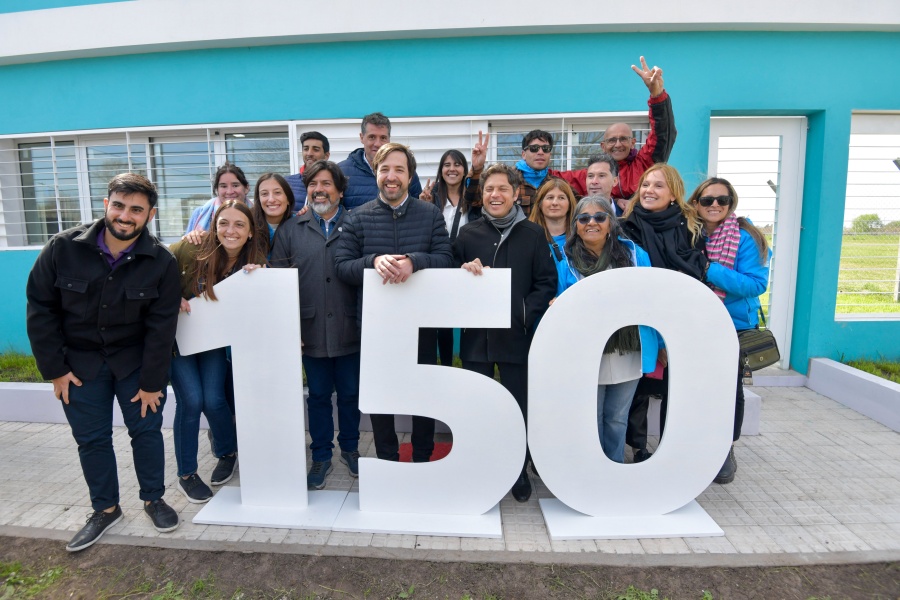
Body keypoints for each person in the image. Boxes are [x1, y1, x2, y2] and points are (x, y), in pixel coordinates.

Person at [26, 173, 182, 551]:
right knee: (91, 440)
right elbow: (40, 310)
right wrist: (55, 370)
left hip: (133, 364)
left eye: (136, 210)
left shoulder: (161, 261)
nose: (125, 216)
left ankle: (153, 498)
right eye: (119, 205)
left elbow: (162, 328)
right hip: (78, 368)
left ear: (150, 214)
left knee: (146, 433)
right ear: (106, 204)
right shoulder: (62, 249)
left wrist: (152, 382)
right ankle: (105, 509)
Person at [335, 143, 453, 463]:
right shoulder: (357, 217)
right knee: (382, 400)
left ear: (409, 176)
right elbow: (341, 266)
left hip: (422, 327)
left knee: (423, 398)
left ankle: (423, 458)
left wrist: (415, 261)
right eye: (385, 169)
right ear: (376, 174)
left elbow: (446, 259)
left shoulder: (429, 214)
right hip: (377, 328)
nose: (391, 176)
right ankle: (387, 459)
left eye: (399, 169)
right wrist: (374, 261)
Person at [453, 163, 557, 502]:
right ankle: (480, 466)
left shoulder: (533, 234)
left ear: (515, 195)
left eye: (502, 189)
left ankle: (518, 469)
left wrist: (523, 313)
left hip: (517, 337)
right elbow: (451, 281)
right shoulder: (468, 235)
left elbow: (545, 282)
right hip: (476, 340)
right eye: (488, 189)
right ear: (482, 194)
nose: (494, 195)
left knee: (518, 407)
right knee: (478, 406)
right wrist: (464, 273)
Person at [270, 161, 363, 490]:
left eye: (327, 183)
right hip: (309, 332)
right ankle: (321, 454)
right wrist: (288, 329)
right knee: (319, 396)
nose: (319, 189)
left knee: (351, 394)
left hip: (350, 328)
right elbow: (278, 284)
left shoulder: (357, 224)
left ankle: (350, 449)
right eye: (313, 184)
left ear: (340, 191)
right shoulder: (290, 231)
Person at [168, 201, 265, 502]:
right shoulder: (190, 249)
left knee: (214, 399)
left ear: (250, 232)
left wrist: (257, 278)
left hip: (211, 343)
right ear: (214, 225)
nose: (230, 230)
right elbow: (151, 273)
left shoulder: (252, 261)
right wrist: (168, 300)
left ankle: (226, 452)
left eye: (239, 225)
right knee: (192, 400)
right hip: (177, 341)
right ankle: (187, 473)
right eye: (223, 223)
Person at [559, 196, 661, 462]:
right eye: (583, 218)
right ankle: (592, 469)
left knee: (617, 418)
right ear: (576, 225)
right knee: (589, 417)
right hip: (588, 352)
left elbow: (653, 300)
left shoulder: (635, 256)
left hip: (628, 349)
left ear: (611, 223)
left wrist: (661, 344)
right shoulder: (564, 262)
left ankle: (613, 467)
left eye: (599, 217)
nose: (591, 222)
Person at [621, 163, 707, 460]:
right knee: (638, 389)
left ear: (673, 194)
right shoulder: (625, 227)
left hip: (682, 321)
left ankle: (677, 452)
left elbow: (698, 275)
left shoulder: (691, 228)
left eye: (658, 185)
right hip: (641, 322)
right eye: (645, 184)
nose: (649, 190)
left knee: (679, 391)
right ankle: (639, 448)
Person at [689, 177, 770, 484]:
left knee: (727, 391)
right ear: (696, 203)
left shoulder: (746, 237)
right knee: (694, 389)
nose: (715, 205)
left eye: (722, 200)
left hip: (732, 326)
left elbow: (755, 284)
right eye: (707, 200)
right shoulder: (689, 234)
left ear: (731, 203)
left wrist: (710, 268)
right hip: (696, 325)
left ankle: (725, 450)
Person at [419, 149, 481, 367]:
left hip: (466, 264)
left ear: (464, 169)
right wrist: (424, 206)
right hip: (439, 265)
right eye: (447, 165)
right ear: (441, 169)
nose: (452, 169)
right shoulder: (431, 197)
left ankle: (468, 365)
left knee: (467, 319)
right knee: (440, 321)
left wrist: (477, 167)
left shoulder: (474, 198)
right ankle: (444, 366)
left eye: (457, 164)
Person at [601, 56, 677, 205]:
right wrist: (614, 201)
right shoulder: (594, 174)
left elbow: (663, 135)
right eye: (612, 140)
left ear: (633, 142)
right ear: (603, 146)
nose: (617, 144)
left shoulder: (645, 164)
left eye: (623, 139)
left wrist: (657, 96)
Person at [338, 112, 423, 209]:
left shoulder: (405, 170)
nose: (377, 144)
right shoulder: (342, 171)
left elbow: (416, 209)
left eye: (383, 138)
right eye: (372, 137)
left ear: (389, 139)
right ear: (362, 138)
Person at [528, 178, 579, 297]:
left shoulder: (581, 239)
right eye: (550, 197)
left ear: (570, 203)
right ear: (540, 204)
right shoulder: (528, 239)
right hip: (539, 309)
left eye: (561, 197)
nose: (555, 203)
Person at [185, 163, 250, 233]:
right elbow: (187, 243)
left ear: (246, 188)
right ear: (217, 190)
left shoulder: (256, 215)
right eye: (223, 186)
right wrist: (192, 238)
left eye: (235, 185)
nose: (229, 192)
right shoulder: (199, 214)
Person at [250, 172, 295, 255]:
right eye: (264, 194)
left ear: (288, 198)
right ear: (258, 200)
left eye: (277, 193)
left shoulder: (301, 225)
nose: (271, 199)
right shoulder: (248, 225)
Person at [285, 131, 330, 211]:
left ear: (326, 155)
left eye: (315, 150)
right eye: (306, 149)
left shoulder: (335, 182)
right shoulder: (287, 183)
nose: (309, 153)